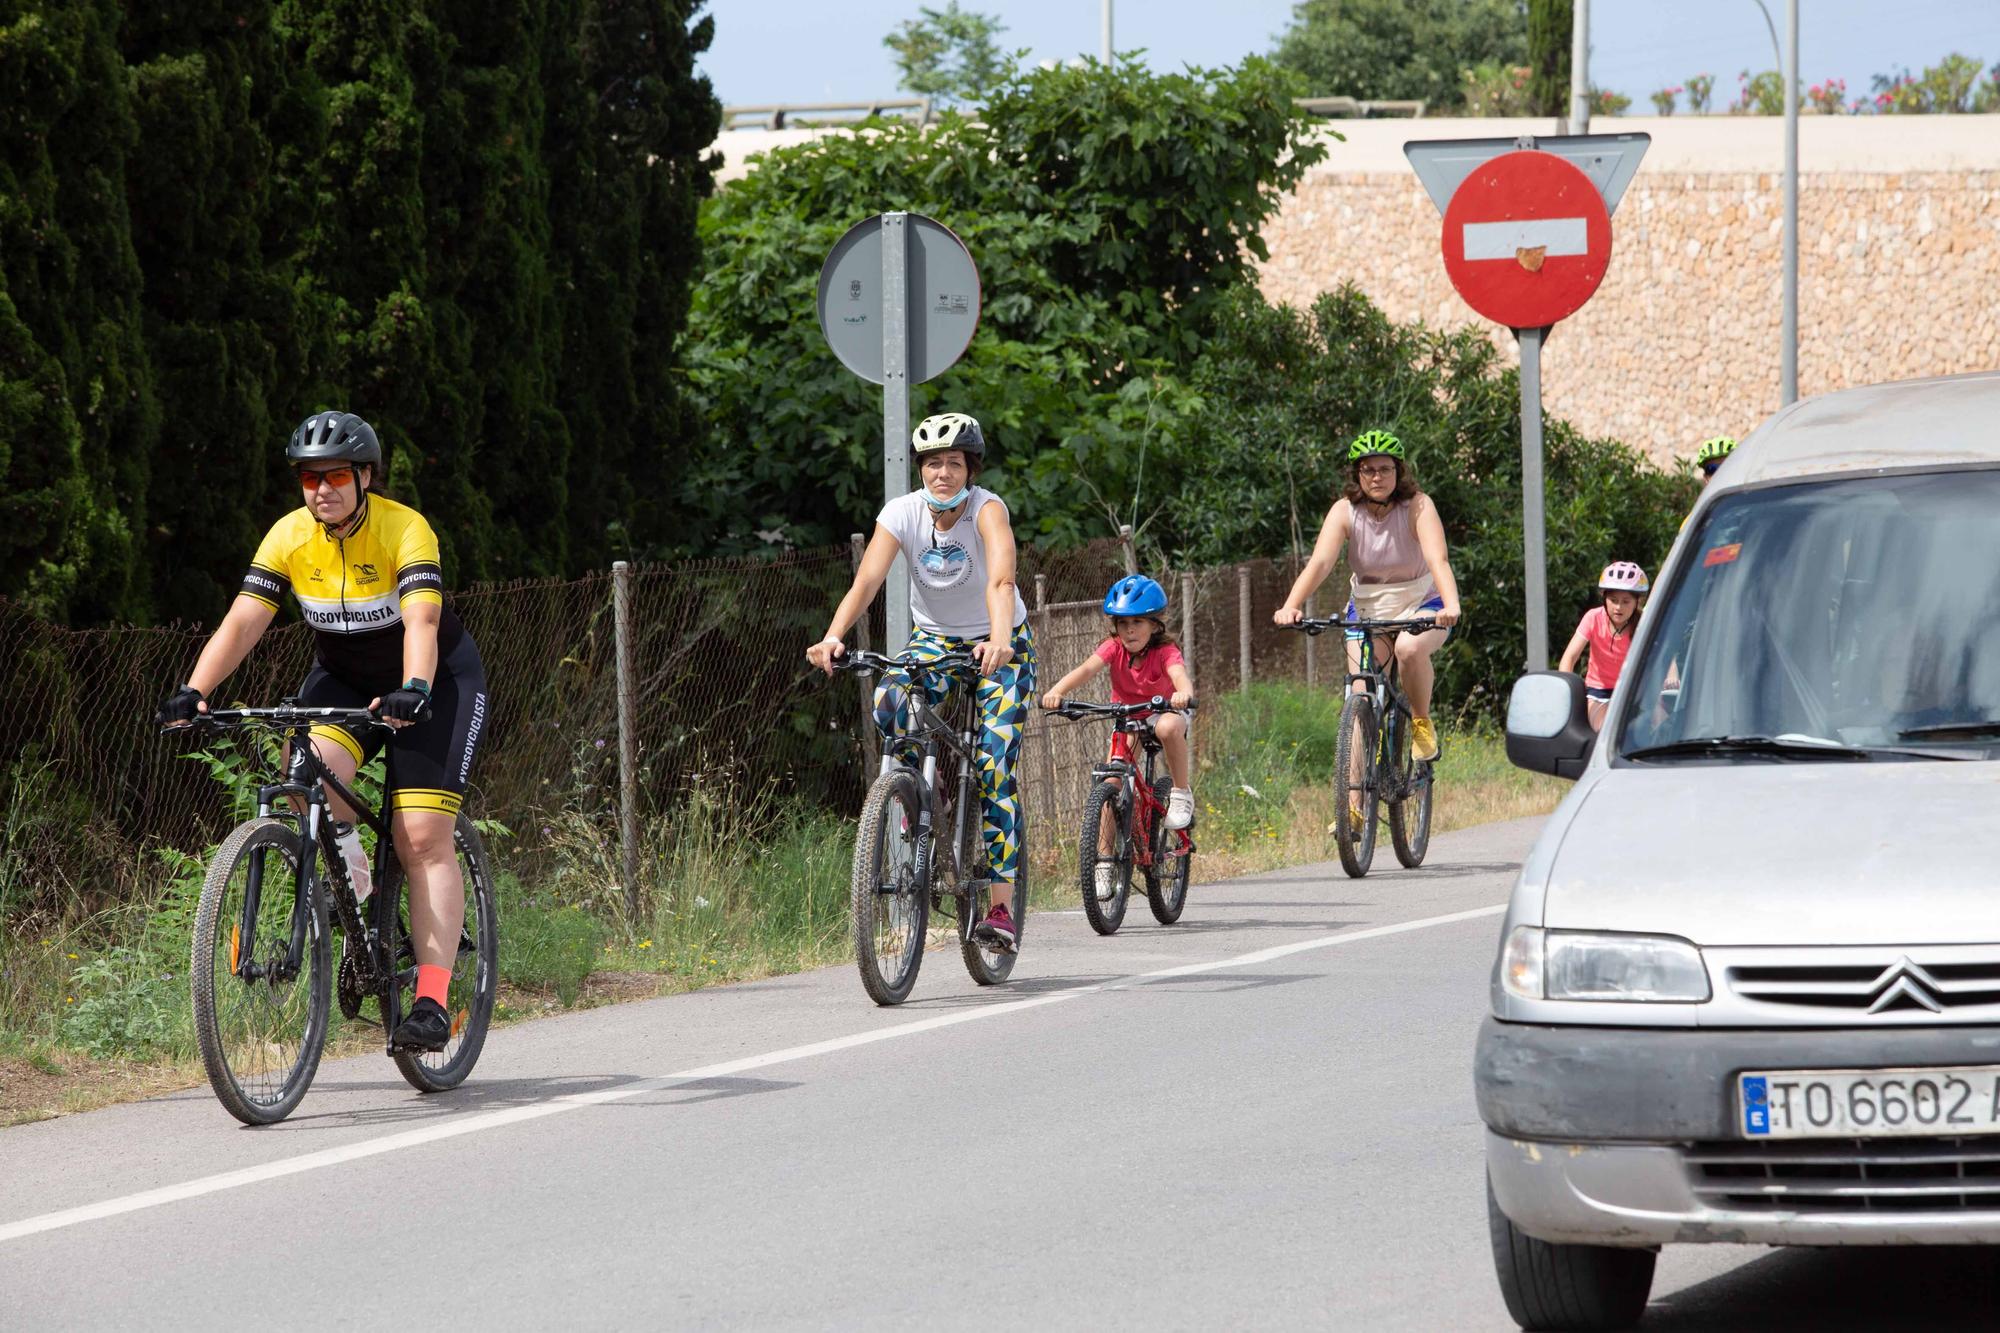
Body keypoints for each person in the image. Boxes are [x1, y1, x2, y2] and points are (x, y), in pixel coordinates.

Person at [157, 411, 487, 1052]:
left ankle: (431, 1000)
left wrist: (414, 689)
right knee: (302, 771)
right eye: (309, 478)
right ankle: (360, 891)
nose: (321, 489)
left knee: (420, 835)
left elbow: (421, 621)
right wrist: (195, 691)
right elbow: (243, 621)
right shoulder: (288, 537)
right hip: (344, 677)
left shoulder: (405, 528)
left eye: (335, 475)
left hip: (436, 681)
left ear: (366, 476)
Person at [807, 412, 1035, 949]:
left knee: (995, 764)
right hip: (934, 639)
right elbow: (867, 579)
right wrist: (834, 635)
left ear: (969, 469)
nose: (943, 473)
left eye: (954, 463)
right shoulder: (902, 513)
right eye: (933, 463)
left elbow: (1002, 580)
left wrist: (1000, 640)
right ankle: (917, 794)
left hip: (1001, 640)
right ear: (922, 469)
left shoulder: (987, 510)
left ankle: (1000, 911)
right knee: (890, 701)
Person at [1274, 431, 1461, 821]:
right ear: (1357, 475)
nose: (1377, 477)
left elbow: (1437, 558)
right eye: (1368, 470)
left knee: (1409, 650)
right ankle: (1354, 808)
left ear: (1399, 472)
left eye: (1385, 469)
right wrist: (1291, 605)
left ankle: (1422, 723)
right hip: (1368, 608)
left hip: (1422, 603)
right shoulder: (1345, 511)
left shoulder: (1418, 506)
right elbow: (1321, 563)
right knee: (1359, 696)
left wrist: (1451, 604)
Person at [1040, 575, 1196, 902]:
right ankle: (1104, 862)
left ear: (1155, 624)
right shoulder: (1113, 648)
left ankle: (1181, 792)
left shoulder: (1166, 651)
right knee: (1112, 781)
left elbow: (1180, 677)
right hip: (1129, 716)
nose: (1129, 630)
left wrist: (1183, 694)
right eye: (1123, 623)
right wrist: (1057, 692)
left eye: (1138, 622)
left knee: (1168, 728)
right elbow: (1086, 669)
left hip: (1165, 709)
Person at [1559, 562, 1650, 730]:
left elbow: (1663, 651)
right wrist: (1566, 692)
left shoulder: (1644, 622)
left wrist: (1671, 676)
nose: (1618, 607)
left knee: (1658, 726)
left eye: (1626, 601)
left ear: (1637, 602)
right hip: (1599, 692)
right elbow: (1569, 657)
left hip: (1633, 690)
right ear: (1604, 598)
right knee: (1607, 728)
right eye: (1613, 600)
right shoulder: (1593, 618)